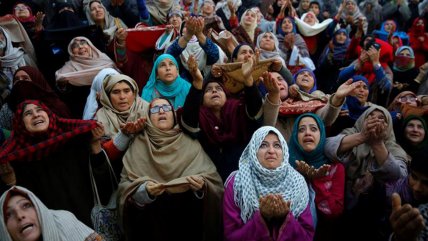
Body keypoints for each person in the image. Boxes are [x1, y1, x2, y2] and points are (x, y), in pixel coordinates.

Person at [117, 97, 224, 241]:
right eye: (155, 109)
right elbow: (125, 188)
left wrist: (201, 188)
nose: (161, 111)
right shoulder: (138, 144)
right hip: (151, 228)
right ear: (148, 117)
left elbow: (213, 181)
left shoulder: (189, 142)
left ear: (174, 115)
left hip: (187, 225)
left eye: (166, 108)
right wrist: (144, 193)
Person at [0, 100, 105, 226]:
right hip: (53, 228)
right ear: (20, 124)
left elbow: (101, 181)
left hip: (90, 221)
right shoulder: (15, 160)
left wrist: (95, 145)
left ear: (49, 115)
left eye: (40, 110)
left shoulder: (73, 141)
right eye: (28, 113)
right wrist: (10, 183)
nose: (36, 115)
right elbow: (20, 206)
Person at [325, 105, 409, 240]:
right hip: (342, 203)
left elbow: (398, 175)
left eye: (381, 118)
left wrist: (377, 144)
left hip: (375, 211)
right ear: (362, 119)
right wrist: (362, 136)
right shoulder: (350, 132)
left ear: (388, 126)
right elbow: (328, 147)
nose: (375, 120)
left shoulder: (393, 146)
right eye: (371, 116)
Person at [223, 126, 314, 241]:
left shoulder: (298, 182)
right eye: (263, 145)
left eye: (277, 145)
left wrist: (285, 218)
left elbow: (307, 236)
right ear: (253, 150)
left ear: (284, 151)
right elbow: (231, 236)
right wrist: (261, 218)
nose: (271, 151)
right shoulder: (237, 183)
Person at [181, 53, 263, 181]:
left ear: (226, 95)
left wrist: (247, 79)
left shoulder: (238, 108)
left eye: (219, 88)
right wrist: (197, 82)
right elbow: (189, 117)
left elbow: (255, 109)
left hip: (245, 178)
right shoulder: (199, 116)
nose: (214, 91)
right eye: (208, 90)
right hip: (211, 180)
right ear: (202, 100)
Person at [288, 112, 345, 240]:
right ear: (295, 136)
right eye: (301, 130)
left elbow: (334, 212)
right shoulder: (286, 165)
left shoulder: (334, 168)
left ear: (322, 134)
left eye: (313, 129)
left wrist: (317, 179)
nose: (307, 133)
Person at [0, 186, 104, 241]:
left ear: (39, 209)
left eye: (26, 206)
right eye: (9, 215)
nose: (19, 216)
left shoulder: (64, 221)